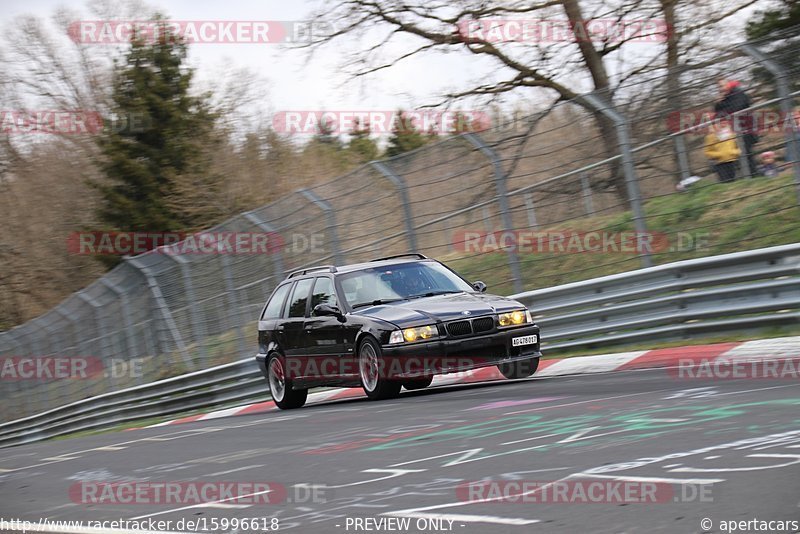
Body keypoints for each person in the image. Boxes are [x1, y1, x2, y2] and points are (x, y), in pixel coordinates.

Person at [714, 78, 758, 178]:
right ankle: (749, 176)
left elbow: (736, 108)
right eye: (719, 87)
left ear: (728, 84)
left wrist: (722, 105)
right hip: (733, 130)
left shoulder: (738, 93)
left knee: (746, 153)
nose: (720, 89)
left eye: (722, 86)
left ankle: (753, 176)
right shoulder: (725, 98)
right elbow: (718, 115)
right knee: (741, 155)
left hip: (746, 128)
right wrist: (718, 104)